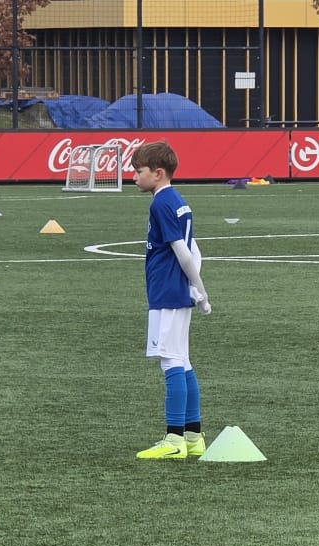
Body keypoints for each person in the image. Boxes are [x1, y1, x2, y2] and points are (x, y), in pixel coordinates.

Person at [131, 140, 214, 460]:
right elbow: (195, 250)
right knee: (183, 360)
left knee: (170, 362)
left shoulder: (161, 204)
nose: (135, 177)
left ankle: (174, 439)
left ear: (158, 173)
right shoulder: (179, 200)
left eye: (139, 172)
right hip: (179, 291)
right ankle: (193, 436)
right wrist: (196, 290)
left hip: (166, 291)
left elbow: (182, 251)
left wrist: (200, 287)